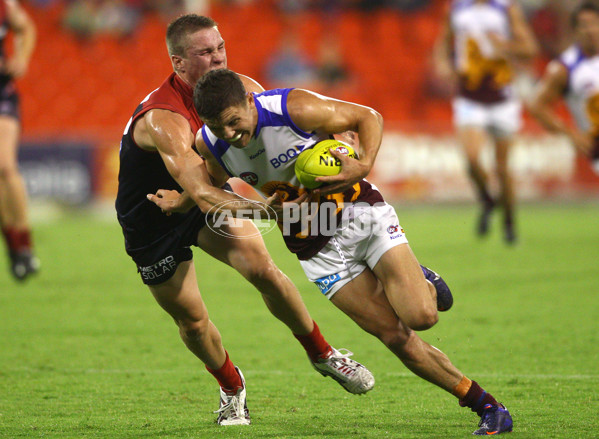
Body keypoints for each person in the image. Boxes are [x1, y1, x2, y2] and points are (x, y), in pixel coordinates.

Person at [149, 68, 515, 435]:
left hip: (360, 215)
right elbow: (211, 184)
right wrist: (181, 201)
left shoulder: (291, 108)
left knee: (421, 317)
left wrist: (364, 163)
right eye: (216, 125)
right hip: (316, 250)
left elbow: (367, 116)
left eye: (232, 122)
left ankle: (423, 281)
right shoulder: (211, 142)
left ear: (248, 101)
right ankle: (487, 406)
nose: (229, 134)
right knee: (395, 337)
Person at [115, 14, 374, 426]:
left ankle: (324, 354)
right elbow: (201, 193)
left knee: (264, 270)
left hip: (206, 201)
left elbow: (280, 136)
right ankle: (231, 387)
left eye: (220, 47)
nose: (218, 59)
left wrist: (333, 141)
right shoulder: (164, 118)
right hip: (155, 215)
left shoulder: (240, 91)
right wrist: (270, 210)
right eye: (205, 52)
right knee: (193, 323)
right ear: (178, 62)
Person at [434, 0, 538, 244]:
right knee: (471, 159)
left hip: (502, 97)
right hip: (470, 96)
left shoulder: (505, 8)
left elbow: (530, 48)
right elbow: (444, 39)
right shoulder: (457, 8)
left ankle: (509, 222)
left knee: (502, 168)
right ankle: (488, 200)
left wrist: (505, 46)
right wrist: (442, 61)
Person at [528, 1, 599, 175]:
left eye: (595, 24)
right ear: (575, 31)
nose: (591, 30)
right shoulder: (566, 67)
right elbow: (537, 106)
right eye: (584, 25)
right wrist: (571, 134)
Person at [0, 0, 38, 280]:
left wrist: (21, 58)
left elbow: (26, 27)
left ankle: (24, 244)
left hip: (2, 93)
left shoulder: (5, 5)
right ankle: (13, 245)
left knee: (4, 165)